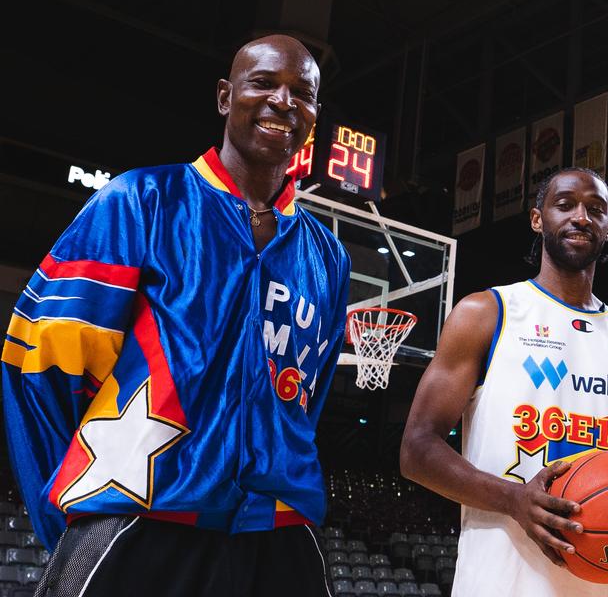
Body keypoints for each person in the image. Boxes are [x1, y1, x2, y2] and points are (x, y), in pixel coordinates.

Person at [2, 35, 350, 596]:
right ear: (223, 97)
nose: (284, 102)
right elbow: (39, 361)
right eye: (263, 83)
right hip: (142, 513)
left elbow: (312, 395)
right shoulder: (139, 200)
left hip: (280, 529)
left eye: (302, 94)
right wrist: (75, 500)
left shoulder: (328, 257)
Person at [400, 167, 608, 596]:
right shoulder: (487, 313)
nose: (580, 217)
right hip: (504, 579)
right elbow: (417, 449)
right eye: (564, 205)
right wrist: (513, 499)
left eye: (595, 209)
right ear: (537, 218)